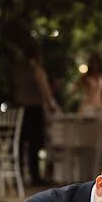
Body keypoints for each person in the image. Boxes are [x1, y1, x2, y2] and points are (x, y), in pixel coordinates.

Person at [13, 44, 60, 186]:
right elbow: (44, 88)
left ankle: (20, 175)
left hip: (20, 109)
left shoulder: (18, 69)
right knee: (35, 143)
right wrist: (52, 105)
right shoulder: (36, 69)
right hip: (34, 108)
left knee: (21, 144)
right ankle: (35, 176)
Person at [74, 52, 102, 119]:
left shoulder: (101, 77)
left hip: (100, 107)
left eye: (97, 63)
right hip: (88, 108)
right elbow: (76, 87)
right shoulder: (86, 77)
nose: (95, 65)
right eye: (93, 63)